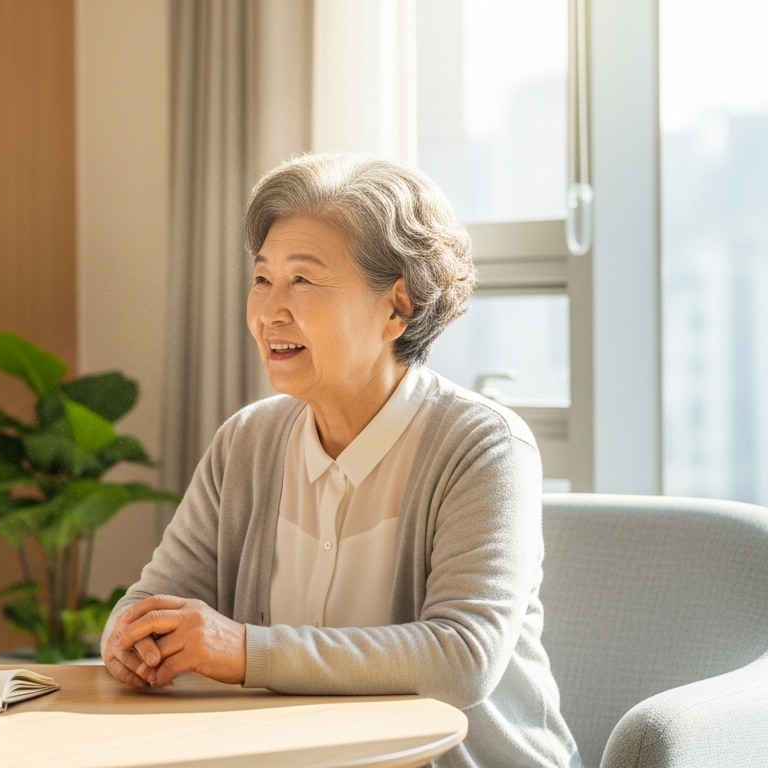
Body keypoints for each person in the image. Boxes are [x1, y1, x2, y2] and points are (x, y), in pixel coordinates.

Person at [103, 153, 580, 767]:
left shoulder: (483, 447)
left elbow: (463, 658)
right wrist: (132, 639)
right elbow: (151, 603)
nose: (269, 310)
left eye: (302, 280)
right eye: (262, 278)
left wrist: (245, 650)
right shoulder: (246, 442)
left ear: (396, 307)